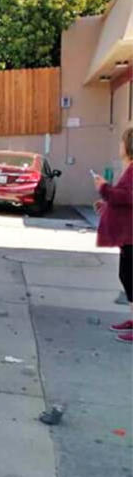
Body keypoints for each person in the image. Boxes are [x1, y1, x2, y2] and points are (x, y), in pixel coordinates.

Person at [94, 127, 133, 343]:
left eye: (122, 142)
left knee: (129, 278)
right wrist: (107, 203)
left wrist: (104, 188)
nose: (119, 146)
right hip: (128, 234)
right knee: (126, 277)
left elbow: (128, 197)